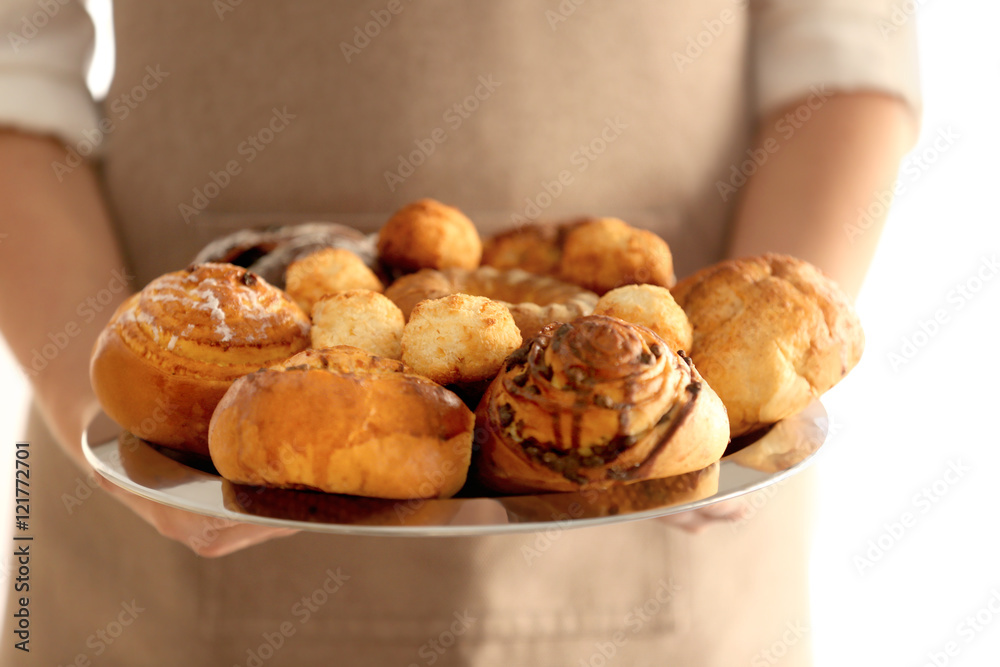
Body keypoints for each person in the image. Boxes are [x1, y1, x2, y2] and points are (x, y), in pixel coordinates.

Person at [0, 1, 918, 664]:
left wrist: (743, 394)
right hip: (163, 516)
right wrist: (109, 417)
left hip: (663, 524)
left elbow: (847, 58)